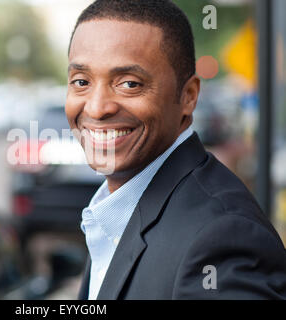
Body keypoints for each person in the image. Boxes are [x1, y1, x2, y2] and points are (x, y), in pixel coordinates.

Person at [65, 0, 286, 299]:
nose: (96, 107)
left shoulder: (222, 240)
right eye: (81, 81)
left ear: (188, 96)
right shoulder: (115, 210)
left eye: (129, 84)